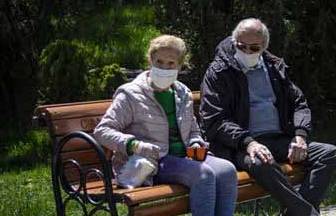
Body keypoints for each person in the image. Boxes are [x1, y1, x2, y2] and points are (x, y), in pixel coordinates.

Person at [200, 18, 336, 216]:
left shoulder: (275, 67)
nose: (247, 51)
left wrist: (300, 135)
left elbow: (299, 103)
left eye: (254, 48)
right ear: (234, 42)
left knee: (329, 154)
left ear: (264, 47)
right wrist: (249, 143)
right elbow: (215, 119)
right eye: (241, 46)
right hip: (239, 145)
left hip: (279, 140)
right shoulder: (218, 72)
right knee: (262, 163)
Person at [94, 35, 238, 216]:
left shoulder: (182, 92)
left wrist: (195, 143)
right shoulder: (131, 94)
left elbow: (193, 130)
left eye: (171, 63)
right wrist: (134, 145)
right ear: (150, 61)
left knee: (227, 170)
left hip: (186, 158)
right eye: (159, 62)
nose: (164, 68)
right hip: (152, 163)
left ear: (180, 66)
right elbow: (102, 130)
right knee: (203, 175)